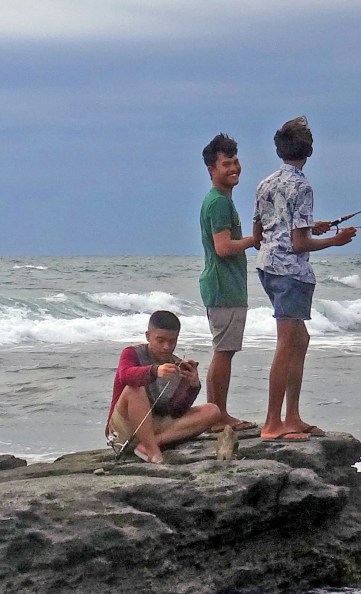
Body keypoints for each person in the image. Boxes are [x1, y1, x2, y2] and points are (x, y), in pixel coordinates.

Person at [252, 116, 357, 442]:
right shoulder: (303, 186)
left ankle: (292, 416)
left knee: (301, 339)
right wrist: (333, 241)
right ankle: (272, 423)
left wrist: (314, 226)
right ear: (308, 150)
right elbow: (299, 244)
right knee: (287, 343)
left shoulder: (265, 183)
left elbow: (260, 233)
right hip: (291, 273)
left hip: (266, 267)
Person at [199, 133, 260, 432]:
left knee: (222, 351)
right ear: (212, 169)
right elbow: (223, 247)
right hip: (224, 286)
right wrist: (254, 239)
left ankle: (214, 414)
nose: (233, 167)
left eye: (235, 161)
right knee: (224, 352)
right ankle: (218, 416)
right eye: (226, 164)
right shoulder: (219, 203)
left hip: (223, 286)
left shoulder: (220, 201)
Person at [106, 310, 222, 464]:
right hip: (124, 428)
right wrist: (155, 370)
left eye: (172, 341)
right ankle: (153, 452)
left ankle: (149, 444)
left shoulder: (176, 364)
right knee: (135, 389)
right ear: (148, 336)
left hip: (156, 426)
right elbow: (125, 375)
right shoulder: (131, 353)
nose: (166, 347)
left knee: (212, 410)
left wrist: (192, 386)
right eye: (160, 340)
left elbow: (175, 411)